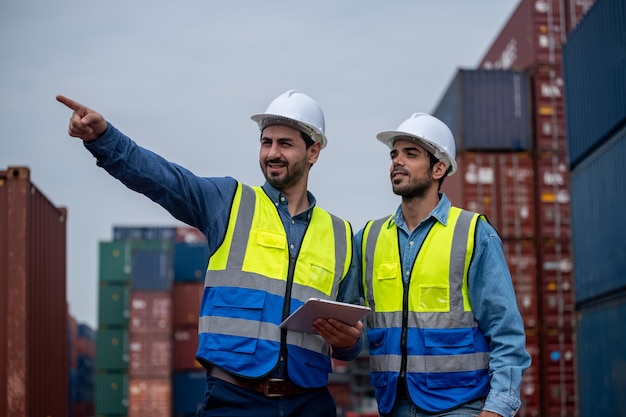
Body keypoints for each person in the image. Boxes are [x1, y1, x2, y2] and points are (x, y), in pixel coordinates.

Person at [57, 90, 363, 417]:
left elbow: (351, 341)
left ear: (313, 151)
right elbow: (161, 178)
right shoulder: (228, 202)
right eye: (266, 142)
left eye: (284, 144)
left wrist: (347, 342)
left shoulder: (340, 235)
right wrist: (103, 138)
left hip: (310, 404)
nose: (272, 153)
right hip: (234, 400)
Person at [355, 113, 531, 417]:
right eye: (394, 154)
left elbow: (506, 330)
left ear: (439, 168)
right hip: (392, 405)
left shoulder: (474, 233)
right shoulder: (369, 238)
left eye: (411, 154)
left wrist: (499, 408)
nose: (397, 161)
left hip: (460, 406)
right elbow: (347, 320)